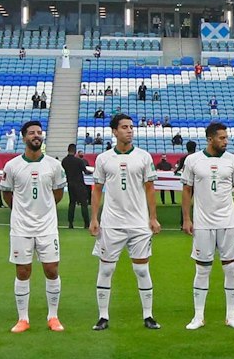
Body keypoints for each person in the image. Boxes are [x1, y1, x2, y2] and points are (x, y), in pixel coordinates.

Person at [90, 114, 162, 330]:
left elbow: (150, 189)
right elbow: (97, 189)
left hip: (139, 223)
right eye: (124, 127)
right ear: (114, 131)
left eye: (131, 127)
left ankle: (148, 316)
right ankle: (103, 317)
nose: (129, 130)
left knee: (142, 270)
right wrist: (94, 218)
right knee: (106, 270)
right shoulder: (103, 159)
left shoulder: (143, 156)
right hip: (111, 224)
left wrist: (152, 217)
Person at [182, 121, 234, 329]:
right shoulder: (193, 160)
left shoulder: (232, 160)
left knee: (231, 268)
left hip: (228, 222)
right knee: (202, 270)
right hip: (203, 223)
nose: (225, 141)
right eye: (221, 138)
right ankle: (198, 316)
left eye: (226, 137)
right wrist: (186, 218)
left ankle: (231, 316)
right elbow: (186, 190)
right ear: (210, 139)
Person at [2, 120, 65, 332]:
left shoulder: (54, 166)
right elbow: (7, 195)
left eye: (39, 132)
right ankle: (23, 319)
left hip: (47, 227)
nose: (36, 135)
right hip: (21, 227)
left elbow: (57, 194)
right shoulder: (12, 166)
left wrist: (43, 211)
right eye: (31, 133)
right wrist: (23, 212)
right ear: (23, 137)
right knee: (22, 271)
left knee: (51, 269)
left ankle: (53, 316)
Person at [63, 143, 90, 228]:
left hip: (70, 184)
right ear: (75, 151)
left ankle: (70, 223)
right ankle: (86, 223)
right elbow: (85, 171)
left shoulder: (64, 161)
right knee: (83, 204)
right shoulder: (79, 161)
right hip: (79, 184)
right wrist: (93, 171)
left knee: (72, 203)